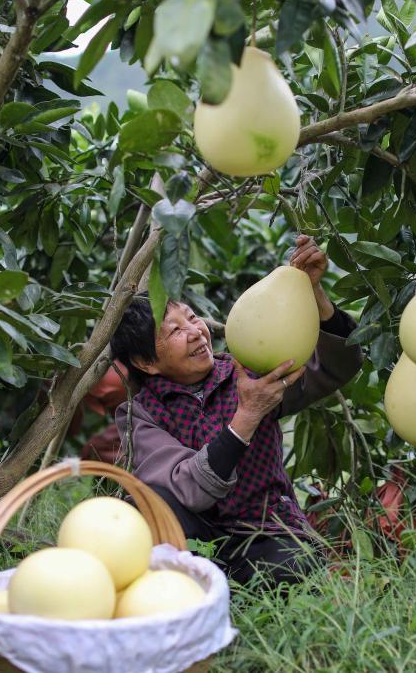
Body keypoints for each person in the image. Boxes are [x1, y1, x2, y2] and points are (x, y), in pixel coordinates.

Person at [107, 235, 364, 587]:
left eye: (193, 318)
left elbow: (340, 363)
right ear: (145, 362)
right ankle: (195, 590)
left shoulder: (249, 373)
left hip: (266, 532)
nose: (197, 332)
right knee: (143, 508)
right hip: (195, 539)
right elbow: (186, 490)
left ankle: (228, 591)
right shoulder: (140, 415)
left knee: (292, 567)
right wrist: (247, 415)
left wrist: (315, 294)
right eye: (175, 331)